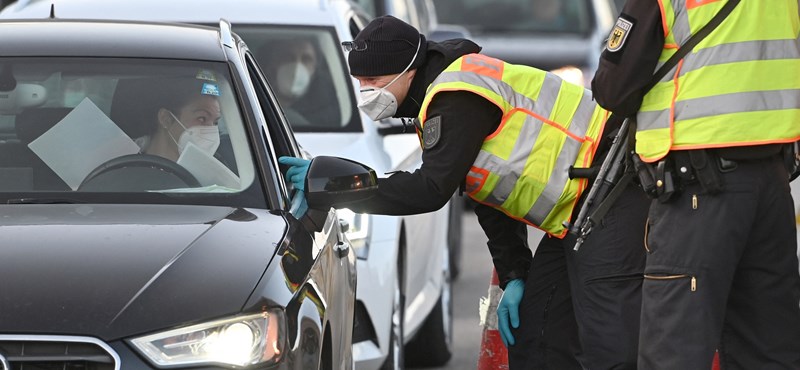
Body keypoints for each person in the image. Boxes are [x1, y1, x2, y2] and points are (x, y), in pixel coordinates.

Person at [280, 15, 648, 369]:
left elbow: (430, 189)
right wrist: (515, 273)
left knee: (609, 348)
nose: (367, 93)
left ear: (408, 69)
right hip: (580, 212)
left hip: (613, 192)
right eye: (360, 82)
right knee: (537, 337)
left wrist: (339, 187)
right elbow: (489, 192)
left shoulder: (455, 94)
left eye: (373, 80)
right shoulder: (441, 97)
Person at [592, 1, 800, 368]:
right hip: (772, 181)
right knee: (768, 347)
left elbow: (613, 90)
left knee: (674, 348)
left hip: (699, 191)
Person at [134, 78, 222, 162]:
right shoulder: (125, 165)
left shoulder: (213, 173)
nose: (211, 131)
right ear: (166, 119)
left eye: (215, 122)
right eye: (202, 119)